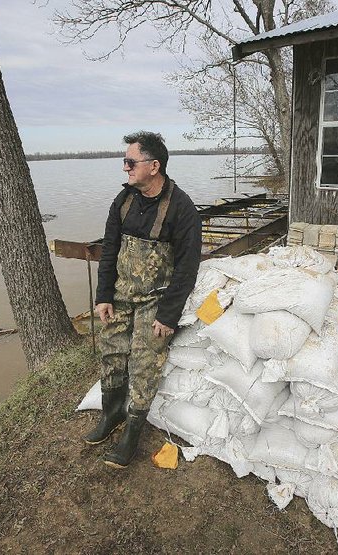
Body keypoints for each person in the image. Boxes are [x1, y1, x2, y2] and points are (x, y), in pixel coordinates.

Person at [84, 131, 202, 468]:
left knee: (144, 365)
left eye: (130, 162)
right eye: (125, 162)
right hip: (121, 296)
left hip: (156, 301)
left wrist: (168, 315)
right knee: (111, 354)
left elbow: (187, 269)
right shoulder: (122, 203)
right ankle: (110, 417)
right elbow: (109, 252)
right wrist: (104, 295)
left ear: (154, 166)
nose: (125, 168)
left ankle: (131, 435)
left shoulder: (183, 209)